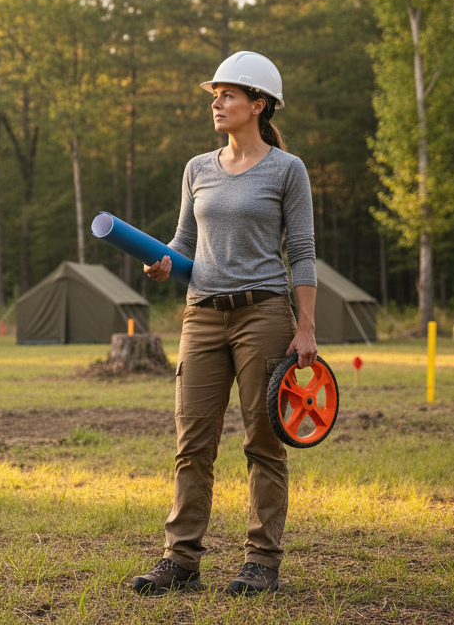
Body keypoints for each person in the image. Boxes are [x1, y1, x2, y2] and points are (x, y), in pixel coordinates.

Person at [131, 51, 317, 597]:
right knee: (193, 443)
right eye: (215, 95)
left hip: (264, 314)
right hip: (201, 315)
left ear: (258, 105)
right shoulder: (198, 167)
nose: (217, 102)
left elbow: (302, 252)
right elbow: (184, 242)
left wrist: (304, 327)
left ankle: (261, 560)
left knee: (263, 441)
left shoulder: (288, 170)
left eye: (228, 94)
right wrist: (163, 260)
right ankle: (180, 559)